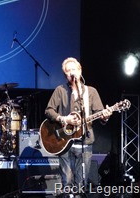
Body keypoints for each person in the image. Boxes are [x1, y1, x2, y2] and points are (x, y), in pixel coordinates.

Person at [44, 57, 113, 197]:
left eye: (73, 70)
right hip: (64, 142)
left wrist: (105, 116)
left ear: (80, 70)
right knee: (67, 180)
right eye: (68, 71)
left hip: (85, 142)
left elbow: (100, 115)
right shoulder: (60, 90)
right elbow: (49, 110)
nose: (71, 73)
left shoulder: (91, 91)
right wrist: (63, 118)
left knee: (81, 183)